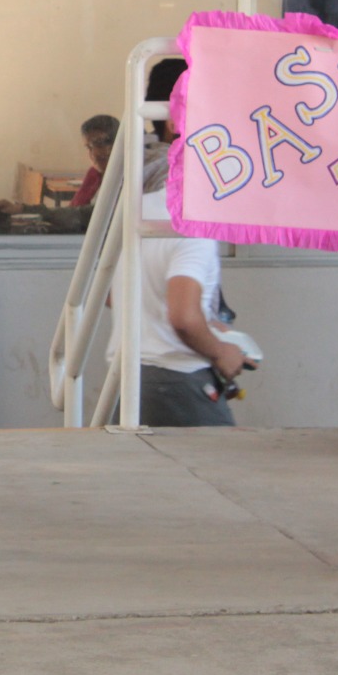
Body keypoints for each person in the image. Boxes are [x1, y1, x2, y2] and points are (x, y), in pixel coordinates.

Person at [107, 57, 254, 427]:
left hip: (136, 368)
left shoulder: (139, 187)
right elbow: (182, 316)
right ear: (177, 119)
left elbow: (115, 291)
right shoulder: (180, 200)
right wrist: (217, 348)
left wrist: (207, 322)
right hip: (175, 371)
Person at [0, 113, 119, 234]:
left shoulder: (125, 180)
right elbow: (74, 211)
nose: (94, 154)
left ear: (119, 143)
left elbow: (84, 215)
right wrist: (21, 211)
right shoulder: (95, 175)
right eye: (89, 147)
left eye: (100, 144)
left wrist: (23, 210)